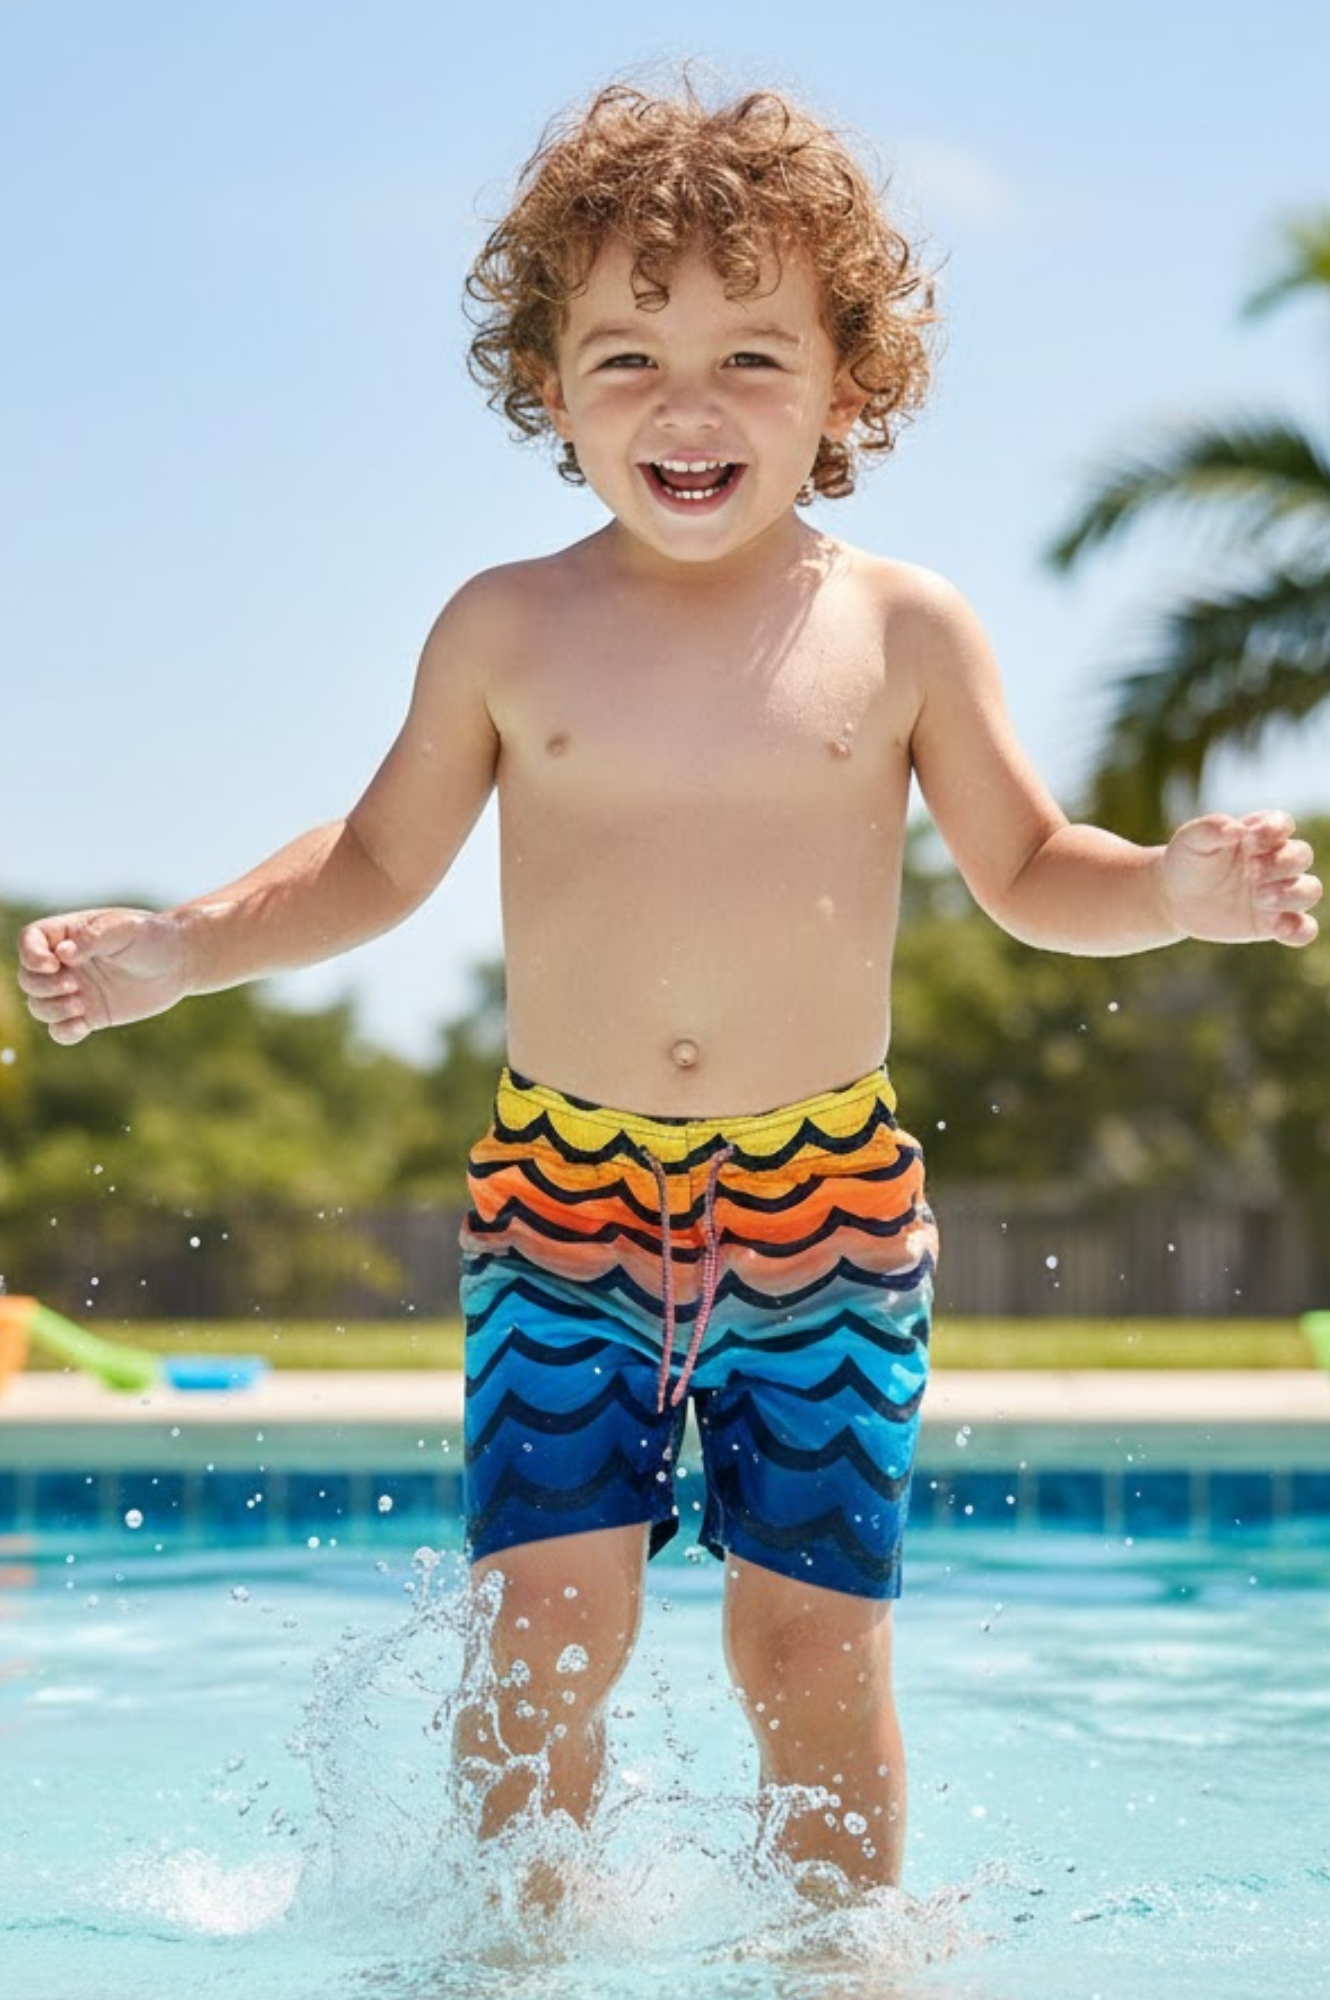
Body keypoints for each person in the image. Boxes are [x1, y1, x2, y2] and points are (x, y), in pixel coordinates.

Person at [15, 80, 1321, 1897]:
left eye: (750, 359)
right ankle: (513, 1941)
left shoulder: (903, 629)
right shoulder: (506, 625)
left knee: (810, 1645)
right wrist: (184, 947)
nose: (686, 408)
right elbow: (374, 862)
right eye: (626, 358)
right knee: (547, 1641)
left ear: (847, 382)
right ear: (546, 388)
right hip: (564, 1201)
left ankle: (834, 1947)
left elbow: (1031, 876)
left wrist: (1170, 890)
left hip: (829, 1209)